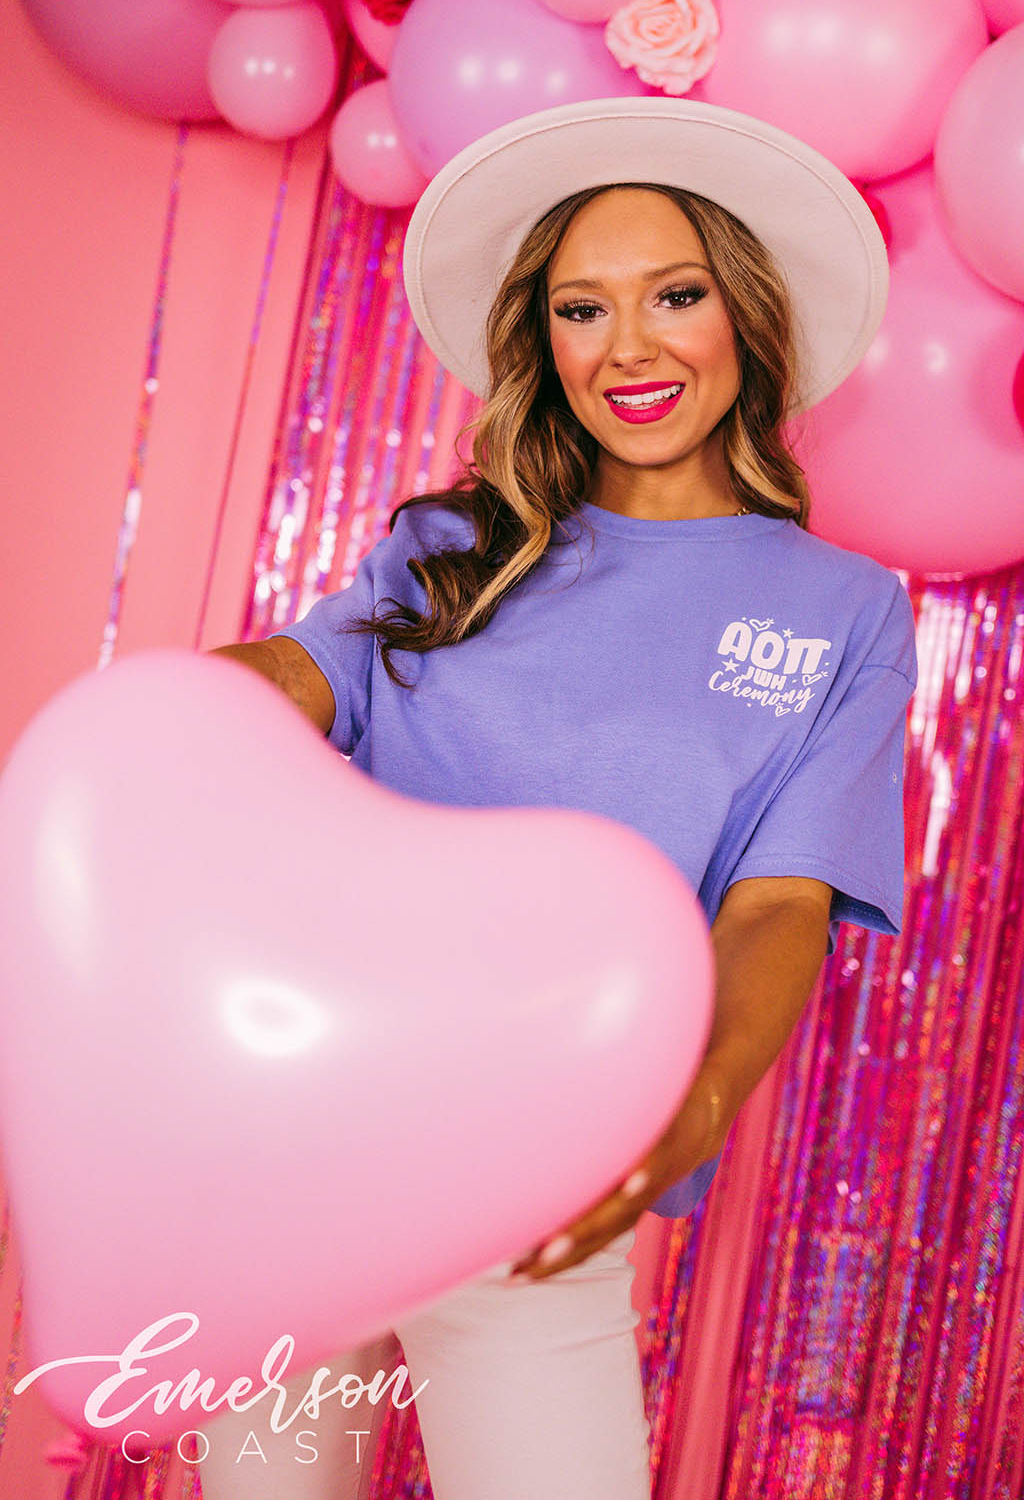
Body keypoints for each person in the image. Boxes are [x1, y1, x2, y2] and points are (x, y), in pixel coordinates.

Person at [197, 97, 917, 1500]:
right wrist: (146, 720)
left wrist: (698, 1099)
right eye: (583, 310)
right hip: (300, 1130)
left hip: (548, 1172)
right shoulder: (450, 549)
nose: (629, 347)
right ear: (547, 344)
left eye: (677, 295)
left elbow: (778, 906)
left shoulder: (846, 612)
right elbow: (292, 677)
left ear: (746, 315)